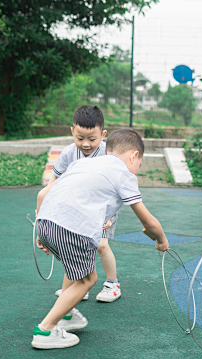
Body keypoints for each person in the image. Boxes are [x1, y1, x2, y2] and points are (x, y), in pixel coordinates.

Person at [32, 128, 169, 350]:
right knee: (87, 280)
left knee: (74, 268)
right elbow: (148, 222)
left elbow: (43, 194)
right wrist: (161, 240)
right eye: (140, 164)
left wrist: (41, 229)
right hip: (72, 229)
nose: (137, 169)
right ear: (134, 155)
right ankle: (45, 330)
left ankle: (66, 314)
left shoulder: (82, 163)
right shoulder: (125, 174)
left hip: (47, 221)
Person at [38, 105, 121, 303]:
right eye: (79, 138)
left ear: (103, 134)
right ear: (72, 132)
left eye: (92, 139)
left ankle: (112, 284)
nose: (85, 144)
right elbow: (53, 184)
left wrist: (108, 216)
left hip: (103, 208)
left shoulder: (108, 154)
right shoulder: (68, 153)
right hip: (77, 210)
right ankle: (80, 284)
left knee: (101, 245)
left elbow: (115, 188)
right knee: (79, 246)